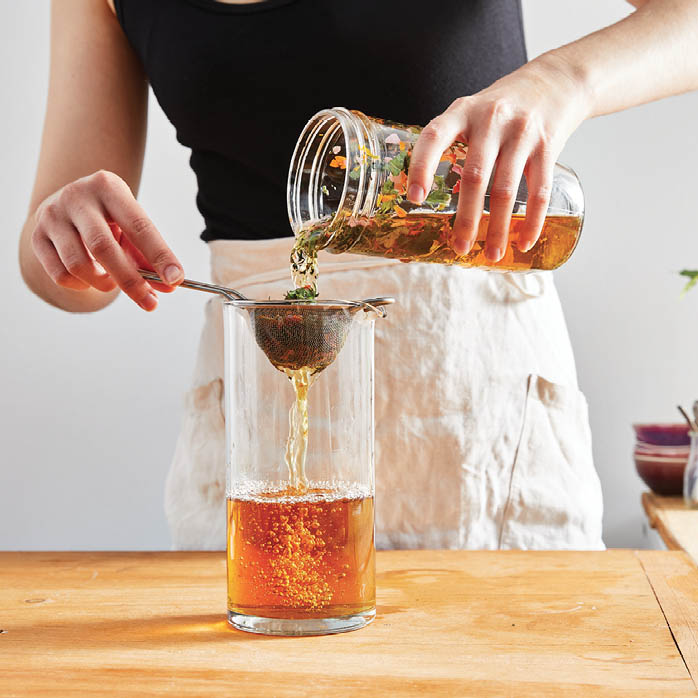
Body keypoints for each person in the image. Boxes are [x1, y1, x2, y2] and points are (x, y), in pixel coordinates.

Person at [19, 0, 698, 550]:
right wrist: (68, 237)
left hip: (481, 424)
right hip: (258, 432)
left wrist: (561, 81)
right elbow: (60, 278)